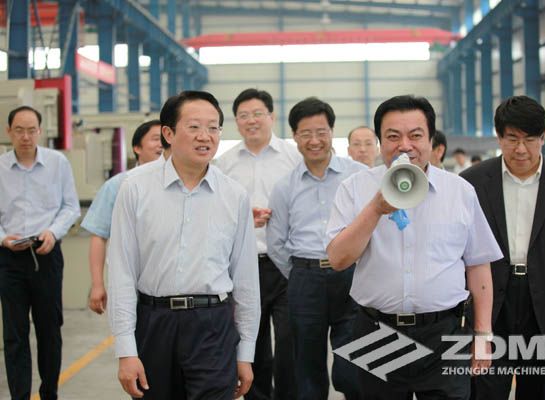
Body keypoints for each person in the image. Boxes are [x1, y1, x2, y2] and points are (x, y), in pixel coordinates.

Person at [326, 95, 502, 399]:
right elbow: (338, 259)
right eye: (393, 136)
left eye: (415, 135)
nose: (404, 145)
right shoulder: (354, 189)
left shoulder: (459, 192)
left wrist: (483, 334)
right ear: (380, 142)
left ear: (431, 141)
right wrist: (375, 209)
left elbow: (478, 264)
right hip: (377, 333)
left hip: (444, 333)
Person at [108, 91, 260, 399]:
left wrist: (245, 353)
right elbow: (122, 271)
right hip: (155, 323)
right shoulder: (135, 188)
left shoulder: (234, 195)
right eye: (194, 127)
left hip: (213, 325)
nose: (205, 136)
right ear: (168, 133)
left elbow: (246, 279)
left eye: (213, 128)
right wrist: (126, 350)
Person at [461, 96, 545, 400]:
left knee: (540, 388)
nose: (520, 149)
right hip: (491, 299)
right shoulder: (473, 182)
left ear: (543, 137)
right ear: (499, 137)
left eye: (529, 139)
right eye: (512, 139)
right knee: (485, 388)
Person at [267, 97, 365, 400]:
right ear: (294, 137)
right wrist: (300, 272)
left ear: (332, 132)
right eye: (305, 133)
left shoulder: (357, 175)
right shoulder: (285, 186)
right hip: (305, 279)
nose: (314, 141)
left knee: (353, 365)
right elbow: (276, 242)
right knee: (307, 368)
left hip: (352, 277)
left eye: (321, 132)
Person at [215, 88, 301, 400]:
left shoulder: (293, 158)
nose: (251, 120)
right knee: (253, 344)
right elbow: (216, 211)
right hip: (245, 265)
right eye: (243, 116)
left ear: (271, 117)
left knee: (291, 343)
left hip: (287, 263)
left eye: (257, 114)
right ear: (236, 122)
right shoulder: (223, 164)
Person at [0, 105, 80, 400]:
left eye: (31, 130)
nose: (26, 137)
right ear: (9, 132)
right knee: (15, 334)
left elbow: (70, 206)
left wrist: (53, 232)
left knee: (50, 331)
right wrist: (3, 239)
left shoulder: (57, 163)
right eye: (19, 130)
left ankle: (49, 393)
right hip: (9, 258)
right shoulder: (0, 167)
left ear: (41, 131)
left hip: (46, 255)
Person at [82, 120, 163, 314]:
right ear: (137, 148)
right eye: (155, 139)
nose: (162, 144)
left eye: (165, 139)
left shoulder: (180, 184)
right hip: (128, 282)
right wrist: (97, 284)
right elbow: (99, 235)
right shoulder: (117, 185)